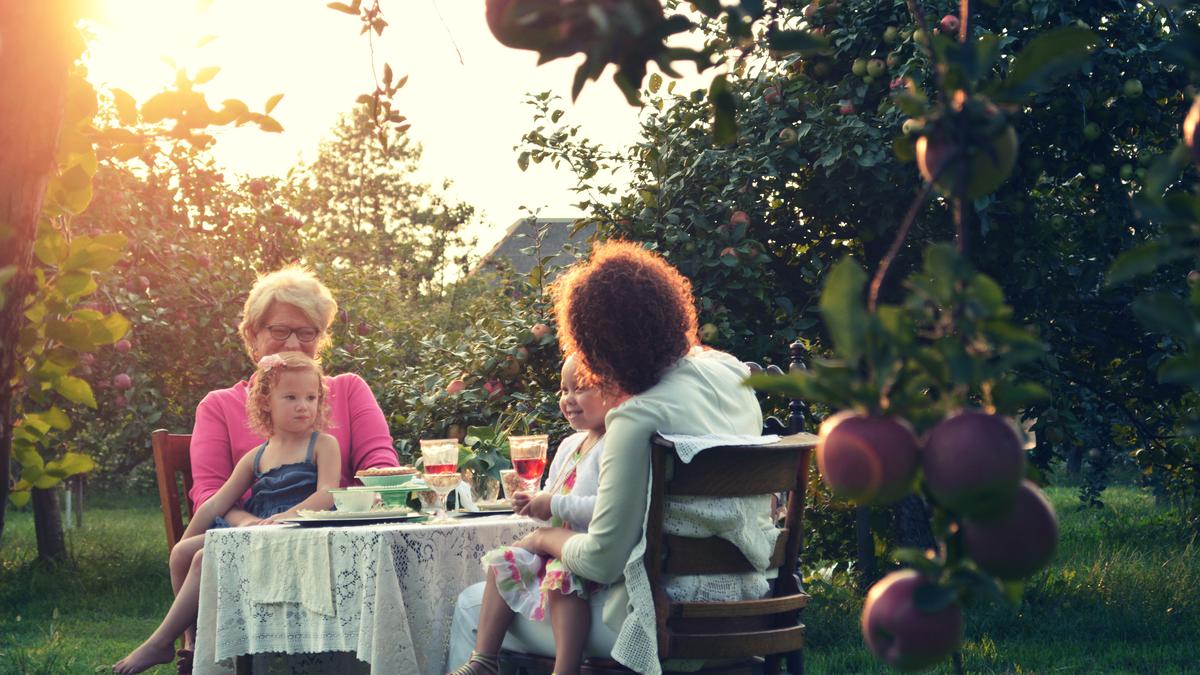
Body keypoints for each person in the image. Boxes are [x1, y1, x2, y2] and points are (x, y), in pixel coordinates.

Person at [447, 241, 775, 675]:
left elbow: (603, 559)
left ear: (601, 345)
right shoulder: (731, 373)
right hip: (751, 604)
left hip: (659, 621)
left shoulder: (638, 416)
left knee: (471, 605)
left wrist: (542, 539)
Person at [114, 352, 340, 674]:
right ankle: (192, 645)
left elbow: (327, 493)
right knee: (183, 553)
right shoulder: (257, 456)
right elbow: (217, 503)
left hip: (297, 534)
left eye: (311, 397)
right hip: (258, 533)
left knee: (202, 559)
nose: (303, 405)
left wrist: (287, 516)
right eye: (290, 397)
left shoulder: (322, 444)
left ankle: (161, 641)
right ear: (265, 402)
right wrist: (189, 536)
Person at [450, 355, 624, 675]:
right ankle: (484, 660)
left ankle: (565, 668)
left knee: (561, 580)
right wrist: (533, 504)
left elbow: (607, 507)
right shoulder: (571, 444)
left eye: (580, 388)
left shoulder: (616, 443)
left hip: (586, 551)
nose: (568, 399)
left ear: (614, 391)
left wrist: (553, 504)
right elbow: (551, 503)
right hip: (556, 545)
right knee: (503, 561)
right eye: (563, 390)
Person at [190, 265, 398, 527]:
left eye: (306, 332)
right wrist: (251, 526)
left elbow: (380, 468)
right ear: (253, 336)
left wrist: (362, 504)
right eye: (279, 330)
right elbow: (210, 494)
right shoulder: (218, 406)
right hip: (250, 547)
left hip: (340, 534)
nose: (292, 343)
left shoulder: (349, 389)